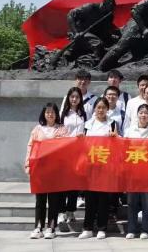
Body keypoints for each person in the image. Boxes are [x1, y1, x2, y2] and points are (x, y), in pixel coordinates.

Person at [26, 102, 67, 239]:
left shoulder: (62, 129)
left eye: (53, 112)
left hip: (55, 169)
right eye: (48, 112)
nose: (50, 114)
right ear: (44, 114)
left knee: (54, 200)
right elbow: (30, 147)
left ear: (56, 114)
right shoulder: (37, 129)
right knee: (40, 200)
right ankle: (38, 227)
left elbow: (65, 147)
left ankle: (51, 227)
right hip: (40, 169)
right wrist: (28, 164)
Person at [79, 98, 118, 239]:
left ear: (107, 109)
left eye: (103, 107)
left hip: (105, 166)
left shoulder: (112, 123)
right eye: (98, 107)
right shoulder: (88, 124)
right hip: (90, 166)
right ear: (94, 109)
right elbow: (82, 144)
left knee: (103, 199)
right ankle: (87, 228)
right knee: (90, 198)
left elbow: (117, 143)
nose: (101, 110)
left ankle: (102, 228)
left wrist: (115, 137)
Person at [124, 104, 148, 239]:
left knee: (147, 202)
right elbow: (124, 148)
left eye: (146, 113)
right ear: (137, 115)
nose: (143, 115)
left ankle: (145, 229)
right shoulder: (129, 130)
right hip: (132, 171)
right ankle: (131, 229)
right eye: (141, 112)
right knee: (131, 202)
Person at [58, 87, 87, 228]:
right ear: (68, 98)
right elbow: (58, 132)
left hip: (78, 153)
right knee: (63, 184)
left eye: (77, 97)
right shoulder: (63, 114)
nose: (74, 99)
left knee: (74, 184)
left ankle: (71, 211)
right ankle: (61, 211)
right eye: (72, 97)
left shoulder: (83, 114)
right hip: (65, 152)